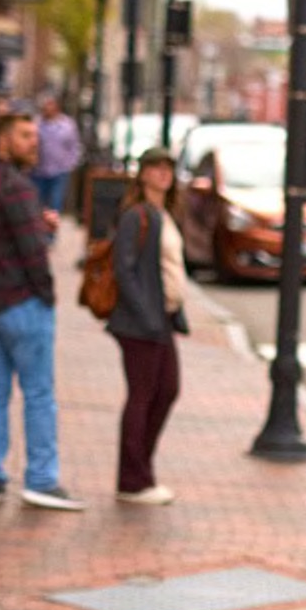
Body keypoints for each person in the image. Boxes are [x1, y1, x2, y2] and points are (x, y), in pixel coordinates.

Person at [0, 110, 81, 509]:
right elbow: (31, 253)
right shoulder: (18, 188)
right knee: (39, 393)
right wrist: (47, 295)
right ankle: (42, 479)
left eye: (34, 135)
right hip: (22, 303)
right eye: (25, 136)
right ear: (4, 141)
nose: (35, 143)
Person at [107, 146, 188, 504]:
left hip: (162, 320)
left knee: (167, 390)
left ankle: (142, 470)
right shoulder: (136, 215)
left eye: (168, 168)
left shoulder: (165, 214)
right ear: (142, 174)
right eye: (155, 168)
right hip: (142, 324)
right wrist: (146, 314)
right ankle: (133, 481)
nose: (163, 174)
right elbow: (123, 269)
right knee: (142, 396)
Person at [32, 94, 82, 216]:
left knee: (55, 203)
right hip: (39, 171)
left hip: (59, 171)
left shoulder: (67, 125)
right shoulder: (36, 123)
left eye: (50, 104)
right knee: (38, 203)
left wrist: (71, 164)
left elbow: (74, 146)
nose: (47, 108)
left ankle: (51, 233)